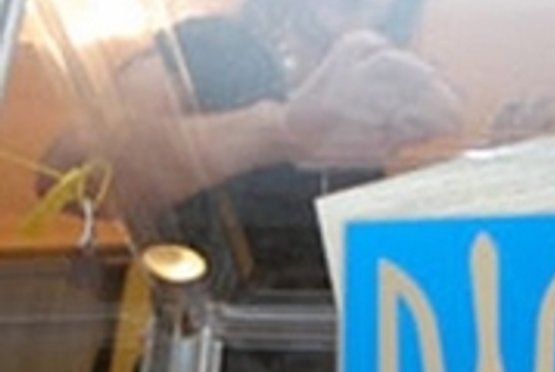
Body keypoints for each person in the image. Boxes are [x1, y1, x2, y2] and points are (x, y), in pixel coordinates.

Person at [42, 0, 461, 293]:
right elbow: (74, 171)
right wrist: (279, 131)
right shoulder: (220, 47)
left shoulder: (378, 108)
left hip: (330, 366)